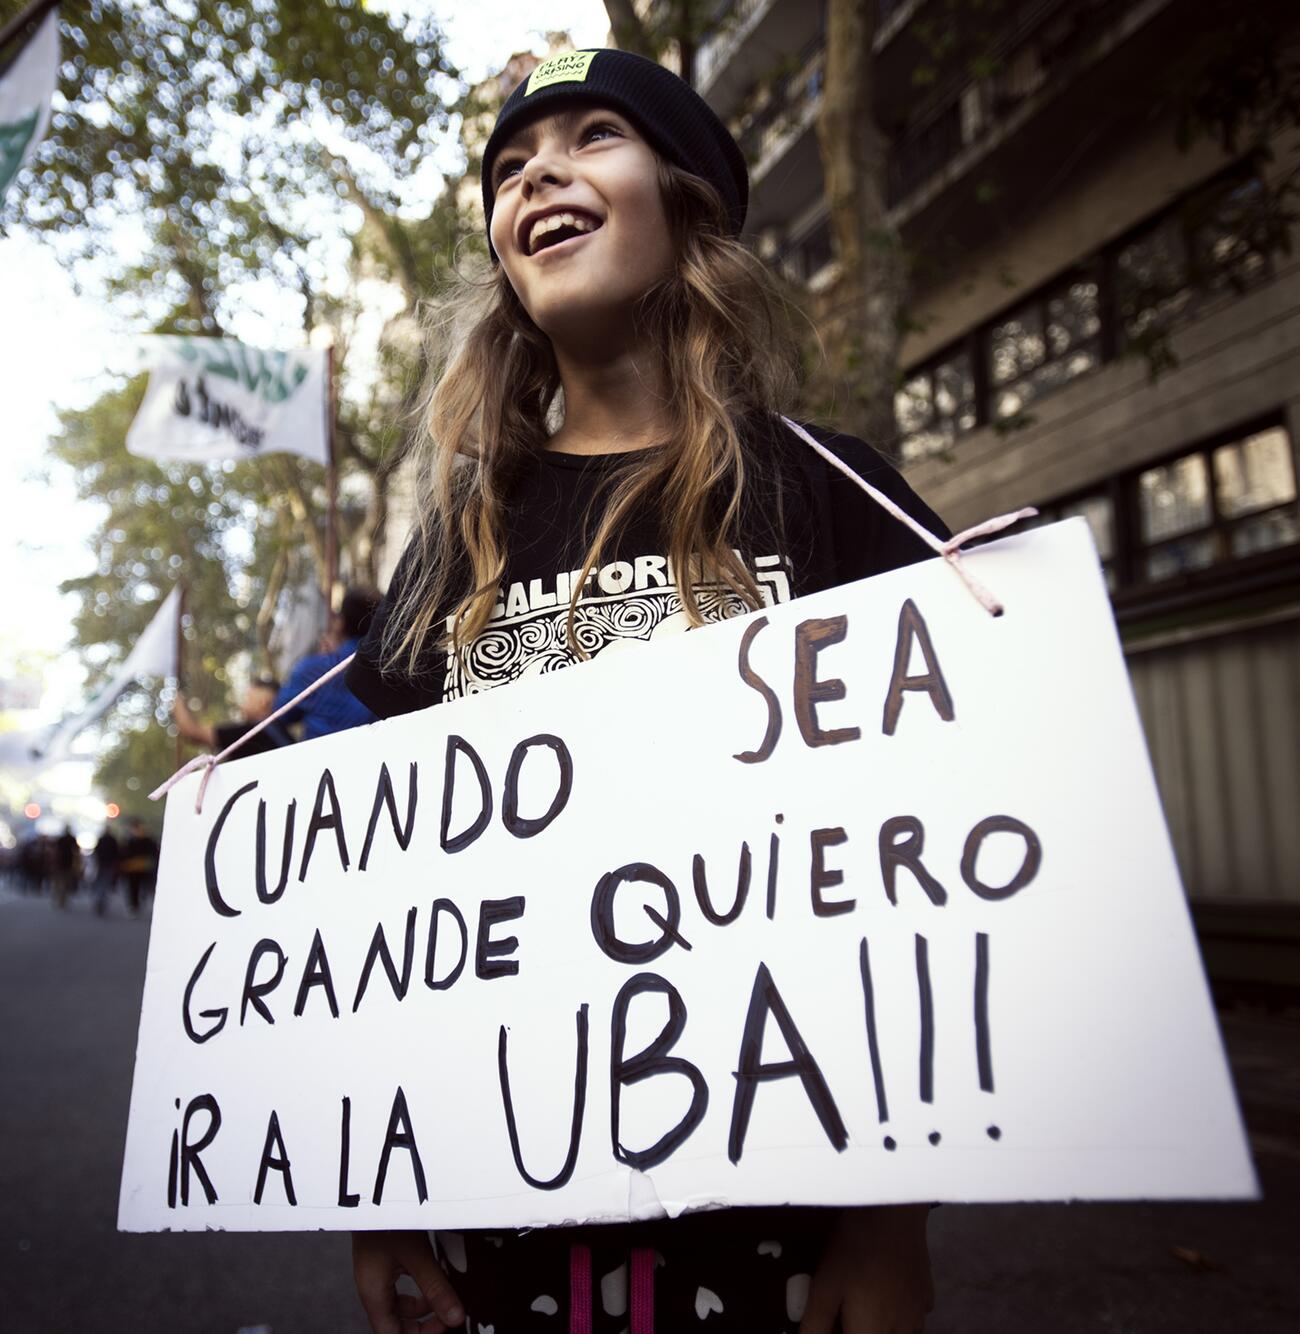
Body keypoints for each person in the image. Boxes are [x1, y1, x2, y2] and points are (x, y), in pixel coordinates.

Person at [341, 49, 946, 1334]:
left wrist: (888, 1225)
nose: (537, 173)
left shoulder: (833, 490)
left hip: (785, 1197)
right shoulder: (457, 538)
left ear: (688, 204)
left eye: (592, 135)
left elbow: (920, 883)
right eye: (508, 168)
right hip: (502, 1205)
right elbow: (382, 907)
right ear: (504, 256)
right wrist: (373, 1193)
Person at [274, 587, 380, 738]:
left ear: (341, 623)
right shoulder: (397, 669)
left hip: (323, 759)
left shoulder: (312, 670)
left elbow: (279, 717)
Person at [172, 674, 296, 759]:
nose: (242, 704)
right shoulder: (283, 734)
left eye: (248, 698)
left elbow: (193, 732)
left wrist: (177, 700)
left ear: (262, 703)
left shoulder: (251, 734)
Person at [120, 817, 159, 915]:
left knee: (134, 887)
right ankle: (139, 903)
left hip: (133, 866)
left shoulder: (130, 839)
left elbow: (124, 853)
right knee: (144, 886)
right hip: (144, 865)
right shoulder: (147, 838)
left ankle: (134, 905)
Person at [91, 822, 122, 916]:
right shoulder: (113, 840)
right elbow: (117, 853)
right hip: (109, 865)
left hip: (101, 864)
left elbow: (96, 852)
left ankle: (99, 900)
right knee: (106, 883)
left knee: (100, 883)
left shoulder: (101, 839)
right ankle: (102, 901)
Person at [52, 825, 82, 909]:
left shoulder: (62, 839)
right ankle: (62, 898)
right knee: (65, 882)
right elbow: (76, 851)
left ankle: (61, 898)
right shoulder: (71, 839)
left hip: (62, 864)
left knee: (62, 882)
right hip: (67, 864)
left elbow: (55, 851)